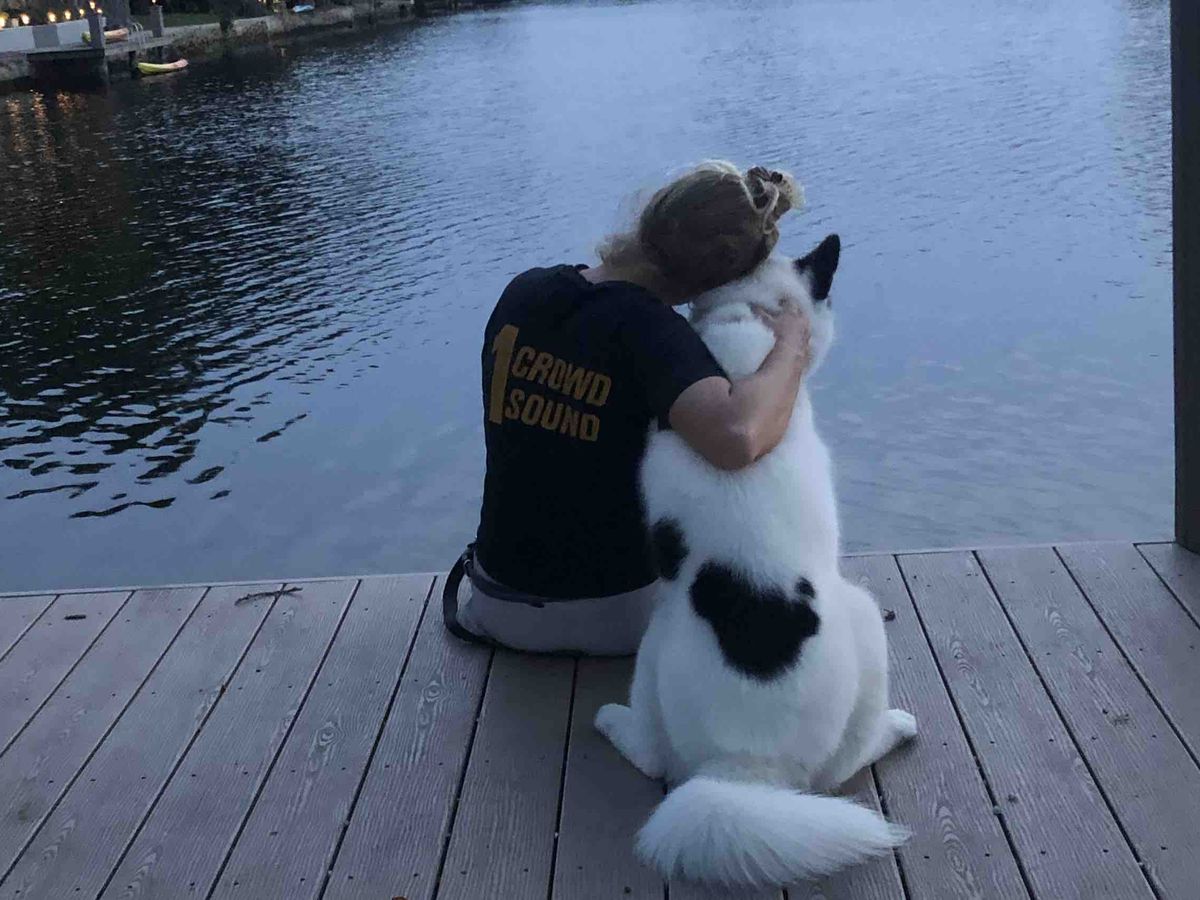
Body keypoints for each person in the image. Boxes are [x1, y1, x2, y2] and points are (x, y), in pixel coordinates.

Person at [443, 161, 814, 655]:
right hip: (616, 618)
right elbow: (739, 438)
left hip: (497, 603)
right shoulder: (653, 332)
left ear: (654, 215)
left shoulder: (524, 291)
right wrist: (792, 344)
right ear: (724, 270)